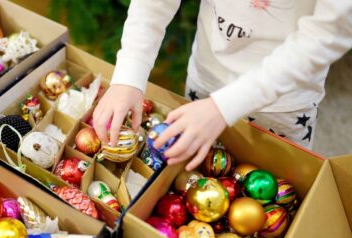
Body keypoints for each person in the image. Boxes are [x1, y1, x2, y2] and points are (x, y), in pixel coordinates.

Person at [92, 0, 352, 171]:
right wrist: (130, 71)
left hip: (283, 104)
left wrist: (224, 107)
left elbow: (326, 36)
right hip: (206, 78)